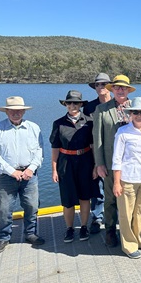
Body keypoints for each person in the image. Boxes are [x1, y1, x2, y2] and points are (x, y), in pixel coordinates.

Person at [0, 96, 45, 254]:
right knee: (4, 209)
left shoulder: (34, 128)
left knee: (32, 206)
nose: (16, 113)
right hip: (5, 176)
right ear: (6, 111)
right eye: (12, 110)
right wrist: (12, 171)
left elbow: (40, 151)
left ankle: (30, 233)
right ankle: (4, 237)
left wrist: (31, 169)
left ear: (24, 111)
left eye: (19, 110)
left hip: (29, 175)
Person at [112, 97, 141, 258]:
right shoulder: (122, 132)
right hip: (128, 179)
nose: (139, 115)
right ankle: (129, 244)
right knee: (126, 213)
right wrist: (117, 182)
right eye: (136, 112)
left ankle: (139, 238)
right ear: (130, 113)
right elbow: (116, 159)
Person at [50, 90, 98, 243]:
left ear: (81, 104)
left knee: (85, 197)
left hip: (85, 161)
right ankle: (69, 228)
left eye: (75, 103)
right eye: (69, 103)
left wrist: (96, 166)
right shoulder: (58, 123)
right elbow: (55, 148)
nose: (72, 105)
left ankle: (84, 227)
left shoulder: (89, 121)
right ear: (65, 104)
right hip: (66, 163)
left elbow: (94, 145)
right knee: (68, 200)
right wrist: (54, 169)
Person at [93, 74, 135, 247]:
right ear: (113, 90)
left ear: (128, 90)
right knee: (110, 199)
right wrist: (99, 163)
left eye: (123, 87)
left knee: (131, 198)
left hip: (133, 163)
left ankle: (130, 231)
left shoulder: (137, 107)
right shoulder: (102, 110)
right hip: (111, 163)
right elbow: (98, 140)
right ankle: (110, 230)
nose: (120, 90)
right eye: (117, 87)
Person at [83, 72, 112, 235]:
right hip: (95, 151)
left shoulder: (118, 105)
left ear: (110, 87)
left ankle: (114, 215)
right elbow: (88, 133)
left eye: (104, 84)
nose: (100, 87)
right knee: (97, 186)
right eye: (97, 85)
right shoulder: (89, 107)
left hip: (114, 152)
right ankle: (97, 217)